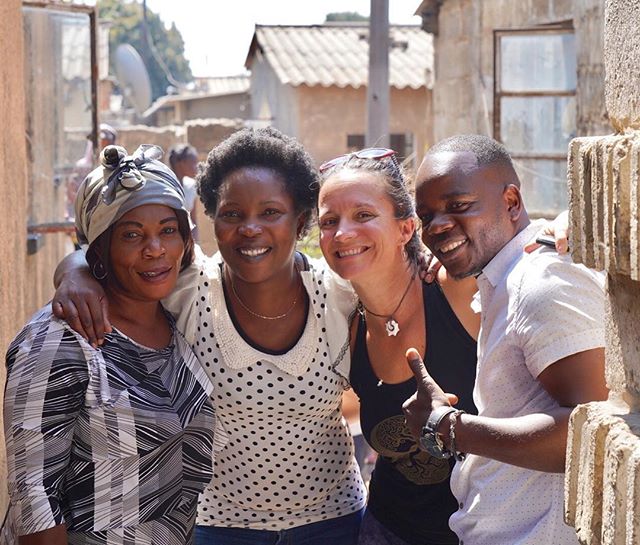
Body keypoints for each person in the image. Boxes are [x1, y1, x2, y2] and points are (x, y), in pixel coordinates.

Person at [52, 127, 367, 545]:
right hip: (216, 526)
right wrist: (75, 270)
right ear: (212, 219)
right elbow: (106, 254)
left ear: (302, 220)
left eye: (270, 212)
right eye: (232, 214)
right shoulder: (191, 291)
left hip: (335, 523)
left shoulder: (341, 295)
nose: (249, 229)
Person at [403, 134, 608, 545]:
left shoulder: (541, 282)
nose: (438, 226)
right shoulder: (504, 282)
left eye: (459, 207)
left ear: (511, 202)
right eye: (426, 217)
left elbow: (592, 436)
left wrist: (449, 427)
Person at [5, 144, 215, 545]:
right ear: (98, 250)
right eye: (132, 235)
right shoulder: (62, 340)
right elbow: (34, 501)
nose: (155, 248)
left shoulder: (176, 316)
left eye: (168, 230)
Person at [317, 148, 479, 545]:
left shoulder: (455, 291)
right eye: (329, 221)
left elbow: (516, 249)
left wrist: (555, 232)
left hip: (482, 532)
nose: (343, 233)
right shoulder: (346, 323)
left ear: (407, 229)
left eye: (364, 215)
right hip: (387, 530)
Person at [168, 144, 200, 237]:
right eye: (193, 162)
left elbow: (194, 220)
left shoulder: (191, 186)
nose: (196, 167)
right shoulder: (165, 187)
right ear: (181, 164)